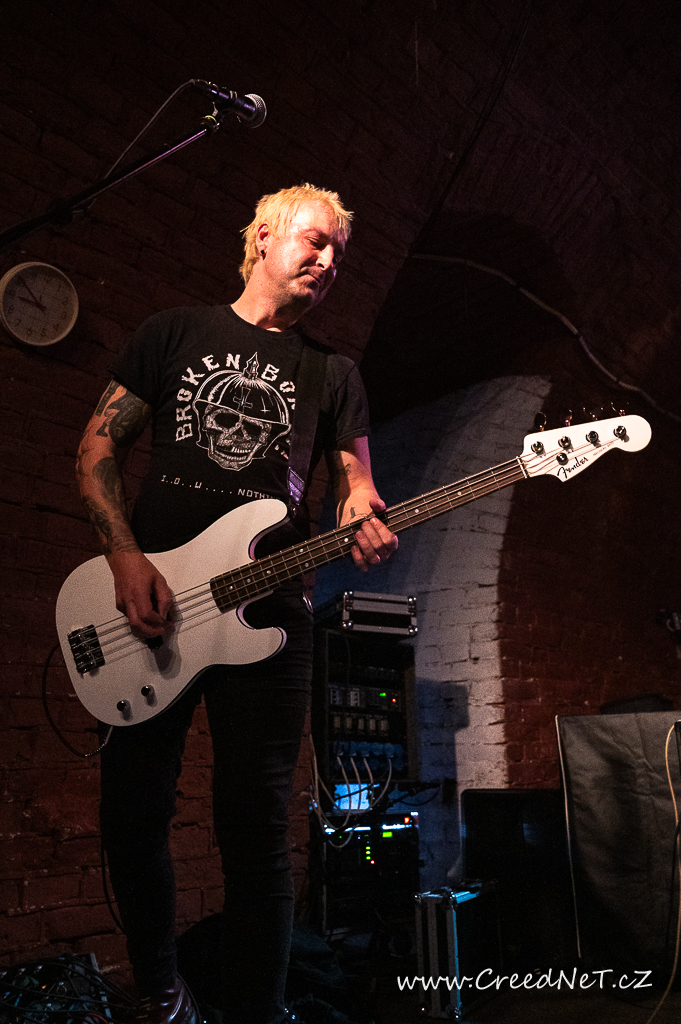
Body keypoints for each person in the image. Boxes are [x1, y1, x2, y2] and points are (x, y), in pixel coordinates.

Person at [75, 183, 397, 1024]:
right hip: (153, 606)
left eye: (338, 254)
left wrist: (362, 518)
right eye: (315, 241)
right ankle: (161, 989)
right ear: (262, 236)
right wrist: (124, 557)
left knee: (256, 828)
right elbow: (95, 451)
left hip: (273, 616)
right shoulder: (174, 332)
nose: (327, 261)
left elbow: (355, 487)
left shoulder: (334, 373)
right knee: (134, 810)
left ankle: (256, 1012)